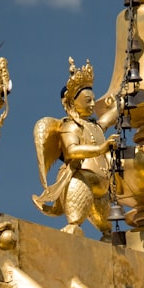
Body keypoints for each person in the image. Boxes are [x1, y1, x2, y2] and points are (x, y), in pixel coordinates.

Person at [32, 58, 119, 237]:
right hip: (81, 180)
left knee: (107, 230)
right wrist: (101, 149)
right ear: (73, 102)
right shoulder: (70, 126)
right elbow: (72, 151)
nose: (93, 104)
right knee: (75, 223)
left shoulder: (93, 126)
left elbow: (106, 121)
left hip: (102, 187)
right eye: (88, 101)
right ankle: (73, 226)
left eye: (93, 100)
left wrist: (121, 105)